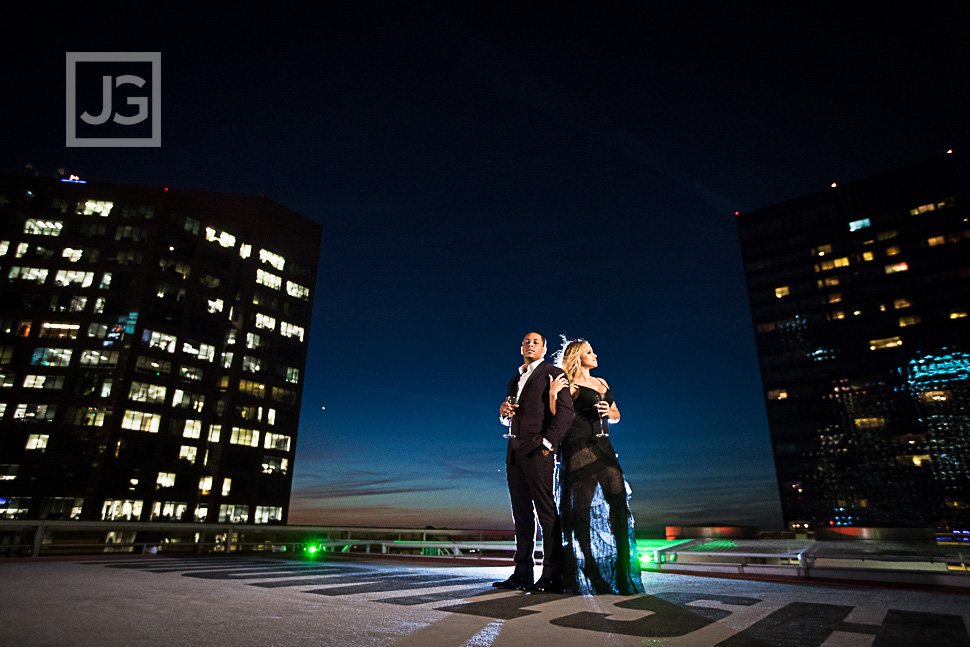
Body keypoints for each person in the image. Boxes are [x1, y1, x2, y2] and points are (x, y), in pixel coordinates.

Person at [549, 339, 645, 595]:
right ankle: (589, 569)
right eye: (589, 352)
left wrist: (608, 412)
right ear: (577, 357)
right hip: (578, 446)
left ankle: (624, 573)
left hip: (604, 447)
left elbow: (616, 415)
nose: (595, 354)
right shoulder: (568, 384)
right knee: (580, 510)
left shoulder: (602, 382)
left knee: (619, 504)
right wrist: (551, 393)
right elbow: (557, 416)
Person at [494, 332, 574, 593]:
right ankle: (522, 573)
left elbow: (565, 413)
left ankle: (552, 574)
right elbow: (511, 417)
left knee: (546, 512)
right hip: (514, 454)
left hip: (539, 452)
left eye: (535, 342)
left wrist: (547, 444)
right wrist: (504, 414)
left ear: (544, 348)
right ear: (520, 348)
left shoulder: (554, 373)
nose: (530, 345)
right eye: (526, 342)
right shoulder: (514, 380)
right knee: (521, 515)